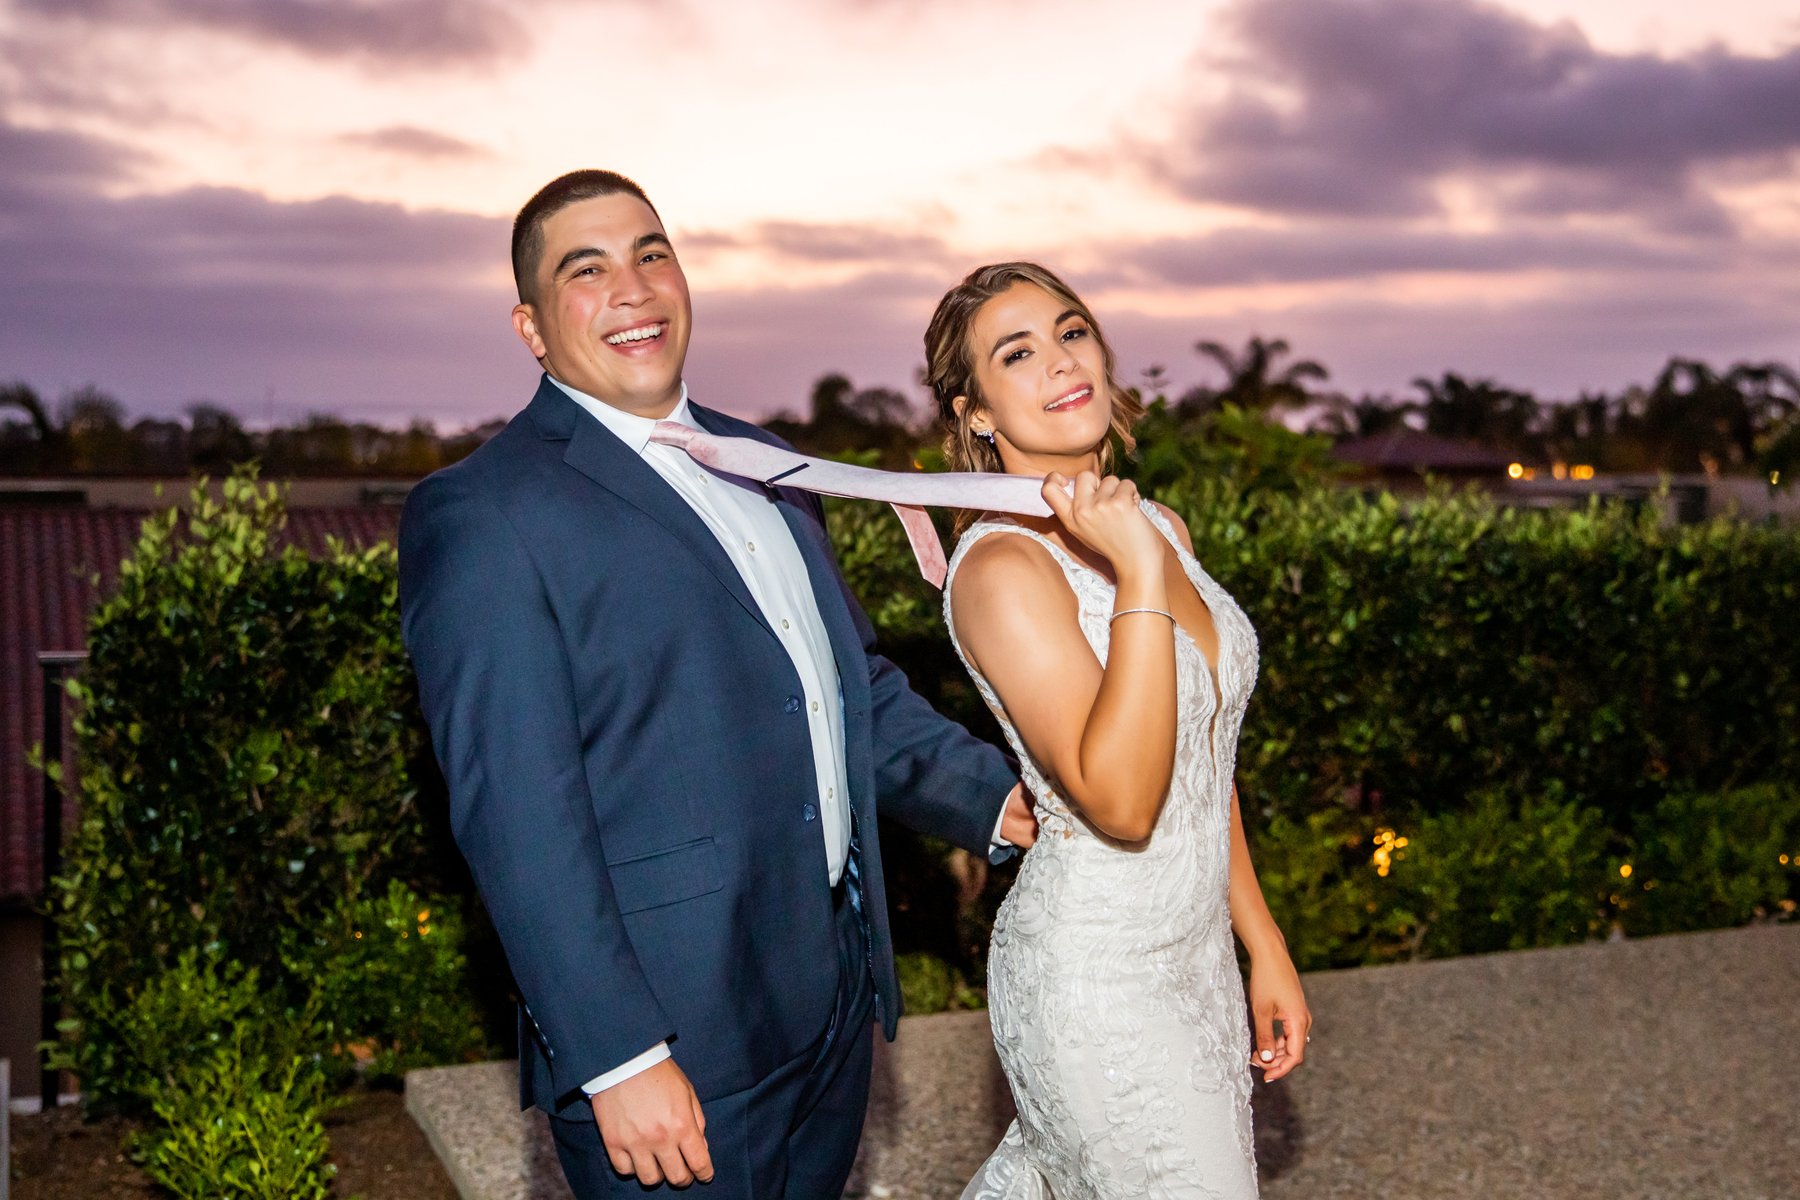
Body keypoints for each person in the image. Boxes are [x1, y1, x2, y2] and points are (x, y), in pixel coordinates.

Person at [397, 170, 1035, 1199]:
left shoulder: (767, 460)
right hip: (674, 1044)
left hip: (828, 1010)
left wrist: (1004, 800)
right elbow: (517, 814)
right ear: (531, 328)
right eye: (587, 271)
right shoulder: (484, 514)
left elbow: (845, 691)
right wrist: (618, 1056)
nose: (634, 287)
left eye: (652, 254)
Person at [925, 262, 1312, 1199]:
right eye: (1018, 354)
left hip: (1196, 957)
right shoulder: (1002, 569)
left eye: (1072, 333)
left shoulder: (1162, 527)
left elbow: (1202, 760)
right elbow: (1125, 801)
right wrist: (1135, 571)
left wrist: (1262, 942)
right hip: (1097, 977)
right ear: (978, 414)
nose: (1063, 362)